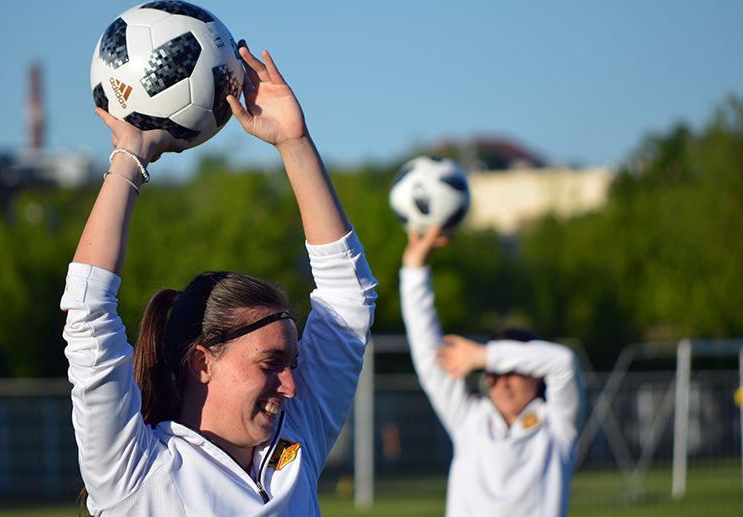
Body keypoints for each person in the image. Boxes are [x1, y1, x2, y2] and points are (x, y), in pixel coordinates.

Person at [61, 42, 377, 516]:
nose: (291, 384)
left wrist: (294, 142)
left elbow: (349, 299)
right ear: (202, 362)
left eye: (289, 361)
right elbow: (87, 311)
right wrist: (130, 157)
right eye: (272, 362)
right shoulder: (136, 472)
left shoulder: (295, 446)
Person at [399, 225, 585, 517]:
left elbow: (564, 363)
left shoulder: (557, 427)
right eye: (493, 374)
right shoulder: (468, 420)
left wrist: (483, 355)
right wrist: (414, 270)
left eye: (512, 370)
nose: (502, 383)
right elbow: (427, 355)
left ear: (537, 375)